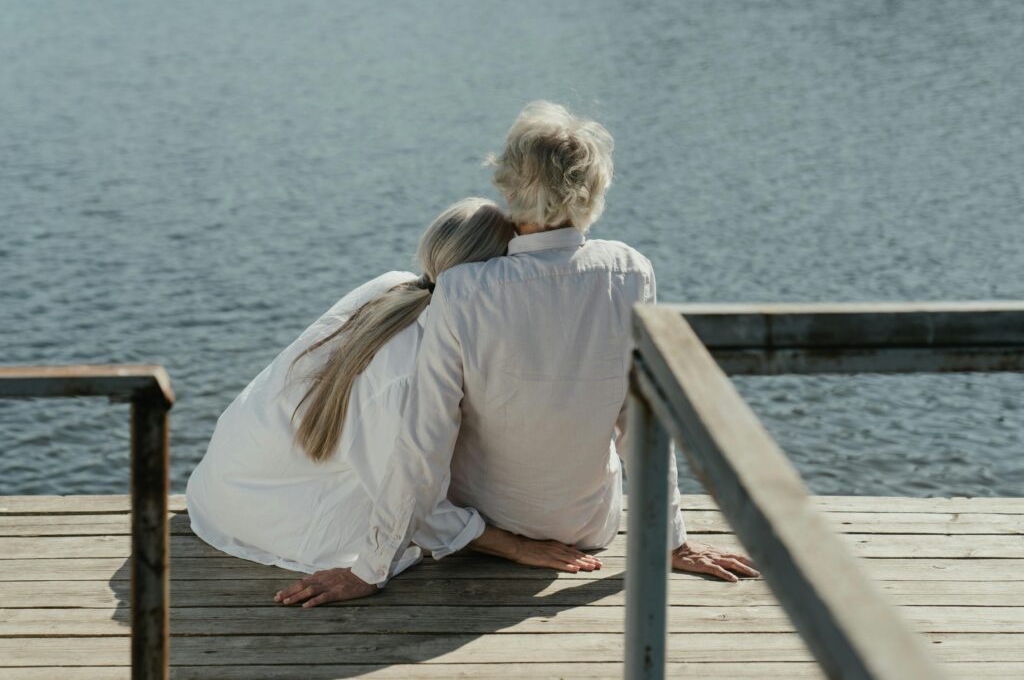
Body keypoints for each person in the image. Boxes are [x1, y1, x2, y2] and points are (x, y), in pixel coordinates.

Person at [275, 102, 758, 607]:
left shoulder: (464, 289)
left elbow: (424, 440)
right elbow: (641, 418)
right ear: (594, 191)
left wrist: (371, 569)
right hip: (587, 525)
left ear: (507, 188)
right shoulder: (631, 271)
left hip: (486, 521)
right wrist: (671, 540)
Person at [186, 197, 603, 606]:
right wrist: (515, 547)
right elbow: (415, 502)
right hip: (272, 518)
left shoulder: (392, 287)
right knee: (411, 511)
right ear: (485, 276)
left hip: (228, 483)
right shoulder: (415, 364)